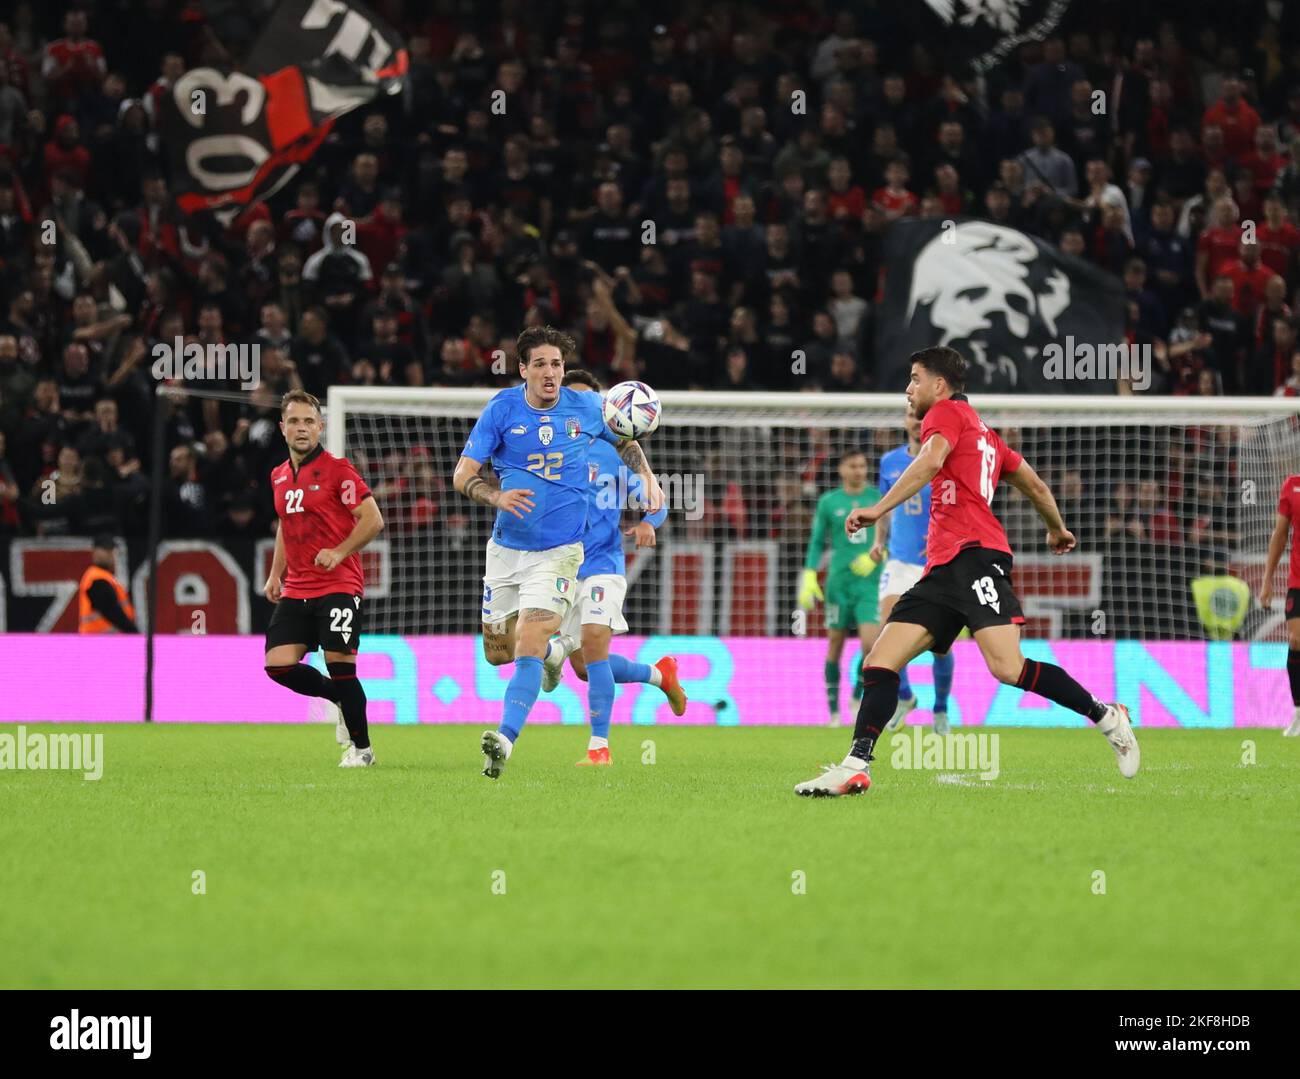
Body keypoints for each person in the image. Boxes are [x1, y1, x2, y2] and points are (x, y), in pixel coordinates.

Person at [794, 346, 1139, 797]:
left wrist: (878, 508)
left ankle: (1107, 715)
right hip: (942, 569)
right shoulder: (989, 438)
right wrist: (1057, 529)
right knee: (879, 662)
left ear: (940, 385)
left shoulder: (946, 413)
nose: (909, 388)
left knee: (1008, 668)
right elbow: (1033, 483)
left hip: (976, 556)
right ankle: (855, 764)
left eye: (915, 378)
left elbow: (932, 461)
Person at [453, 327, 663, 779]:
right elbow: (462, 474)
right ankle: (552, 658)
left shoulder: (586, 407)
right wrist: (495, 496)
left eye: (558, 365)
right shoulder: (502, 409)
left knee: (531, 642)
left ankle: (504, 740)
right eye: (542, 364)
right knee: (498, 652)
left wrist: (647, 477)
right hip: (507, 550)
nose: (551, 373)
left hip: (561, 554)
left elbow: (625, 440)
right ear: (523, 369)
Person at [540, 368, 686, 765]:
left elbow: (658, 501)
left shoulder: (613, 453)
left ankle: (598, 748)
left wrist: (647, 523)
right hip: (559, 567)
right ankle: (660, 675)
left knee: (593, 649)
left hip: (603, 565)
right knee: (586, 668)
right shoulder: (548, 452)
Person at [262, 390, 385, 767]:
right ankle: (339, 700)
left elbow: (373, 519)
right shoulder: (278, 476)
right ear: (283, 429)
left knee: (341, 664)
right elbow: (287, 524)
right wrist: (275, 574)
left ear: (320, 426)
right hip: (298, 586)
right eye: (294, 421)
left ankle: (363, 751)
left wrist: (340, 551)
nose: (302, 428)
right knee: (277, 664)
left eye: (309, 421)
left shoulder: (338, 470)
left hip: (338, 584)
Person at [877, 406, 955, 735]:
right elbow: (886, 505)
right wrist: (879, 540)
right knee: (888, 631)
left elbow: (958, 507)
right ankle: (905, 697)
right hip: (898, 559)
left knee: (940, 644)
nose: (917, 421)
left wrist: (945, 537)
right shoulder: (889, 462)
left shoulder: (944, 461)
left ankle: (940, 709)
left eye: (923, 417)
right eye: (912, 416)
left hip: (935, 562)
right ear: (905, 422)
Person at [798, 448, 883, 726]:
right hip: (839, 582)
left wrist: (876, 556)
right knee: (835, 643)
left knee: (872, 645)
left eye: (862, 465)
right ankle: (834, 712)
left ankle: (857, 697)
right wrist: (810, 574)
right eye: (853, 466)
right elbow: (816, 541)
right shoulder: (828, 502)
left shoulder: (877, 498)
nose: (859, 470)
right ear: (842, 470)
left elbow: (892, 535)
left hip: (870, 582)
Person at [1257, 475, 1300, 736]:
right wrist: (1267, 579)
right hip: (1298, 580)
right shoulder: (1292, 485)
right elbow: (1280, 534)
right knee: (1296, 639)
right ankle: (1298, 711)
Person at [77, 533, 136, 633]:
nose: (106, 554)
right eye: (103, 550)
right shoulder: (96, 579)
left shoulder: (108, 578)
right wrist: (134, 633)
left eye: (109, 550)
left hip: (106, 640)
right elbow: (112, 612)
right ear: (94, 552)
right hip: (98, 641)